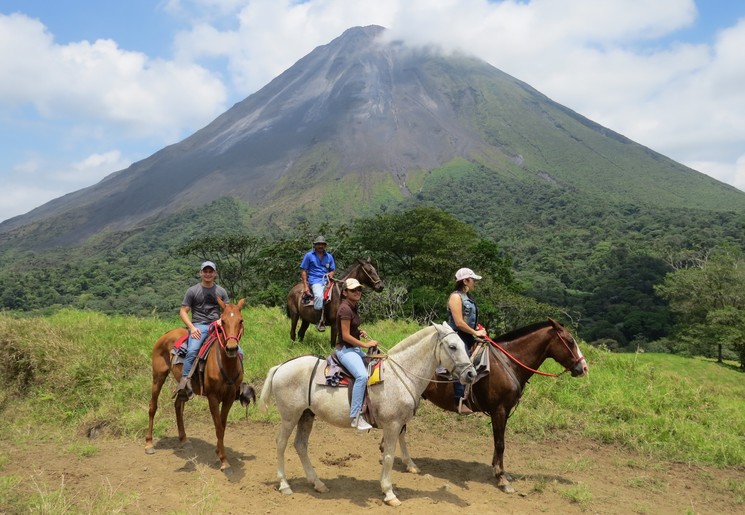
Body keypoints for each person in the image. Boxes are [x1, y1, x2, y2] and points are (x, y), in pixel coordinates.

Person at [175, 260, 230, 399]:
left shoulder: (221, 291)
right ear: (201, 273)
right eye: (205, 271)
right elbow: (183, 311)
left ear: (215, 274)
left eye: (210, 271)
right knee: (193, 350)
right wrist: (192, 328)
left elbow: (228, 310)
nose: (208, 274)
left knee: (237, 351)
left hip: (217, 325)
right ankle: (185, 382)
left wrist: (220, 320)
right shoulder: (193, 291)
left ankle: (237, 382)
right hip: (199, 325)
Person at [336, 278, 379, 430]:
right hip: (345, 350)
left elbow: (349, 330)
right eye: (353, 290)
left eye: (359, 289)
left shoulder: (353, 306)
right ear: (345, 292)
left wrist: (359, 332)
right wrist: (366, 344)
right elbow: (346, 336)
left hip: (353, 349)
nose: (357, 292)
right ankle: (355, 416)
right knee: (362, 376)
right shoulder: (345, 309)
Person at [447, 267, 487, 415]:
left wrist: (477, 329)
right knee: (462, 362)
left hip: (468, 335)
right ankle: (459, 400)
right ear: (465, 281)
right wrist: (475, 332)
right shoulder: (455, 297)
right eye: (473, 280)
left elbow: (468, 321)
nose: (474, 282)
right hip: (456, 336)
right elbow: (458, 322)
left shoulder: (468, 297)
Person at [300, 235, 336, 332]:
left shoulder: (329, 257)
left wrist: (331, 274)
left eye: (322, 244)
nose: (320, 246)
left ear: (325, 246)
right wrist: (305, 285)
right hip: (315, 280)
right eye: (318, 244)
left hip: (327, 281)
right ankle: (319, 321)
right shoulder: (309, 256)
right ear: (315, 245)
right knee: (319, 297)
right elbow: (303, 270)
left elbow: (332, 269)